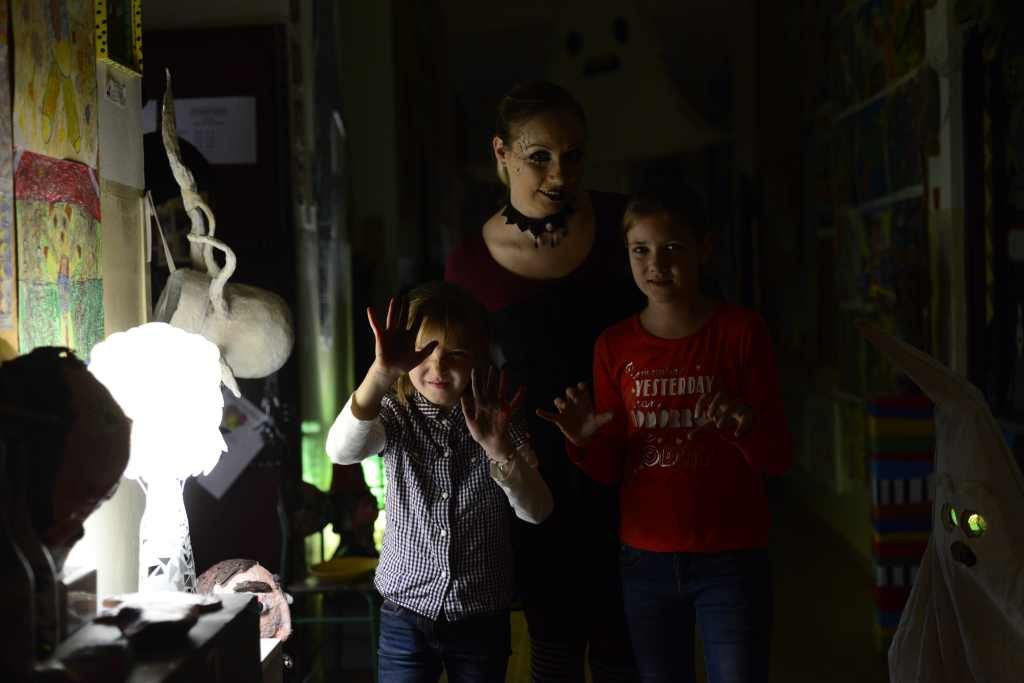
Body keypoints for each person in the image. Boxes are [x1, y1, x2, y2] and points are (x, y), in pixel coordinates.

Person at [538, 184, 793, 683]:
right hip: (646, 562)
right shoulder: (613, 346)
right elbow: (610, 469)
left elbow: (778, 457)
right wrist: (583, 440)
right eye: (641, 250)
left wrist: (744, 429)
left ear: (705, 248)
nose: (656, 264)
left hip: (731, 557)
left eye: (673, 247)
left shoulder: (741, 332)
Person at [445, 81, 642, 681]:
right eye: (540, 156)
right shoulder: (468, 263)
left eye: (574, 155)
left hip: (629, 453)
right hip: (532, 470)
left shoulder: (622, 223)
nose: (561, 173)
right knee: (552, 642)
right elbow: (462, 383)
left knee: (626, 642)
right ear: (501, 152)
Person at [325, 281, 553, 682]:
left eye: (457, 354)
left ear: (479, 356)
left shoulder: (499, 418)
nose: (438, 367)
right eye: (424, 352)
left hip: (482, 613)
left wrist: (500, 450)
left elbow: (537, 511)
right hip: (405, 612)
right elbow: (341, 451)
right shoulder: (395, 411)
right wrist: (380, 374)